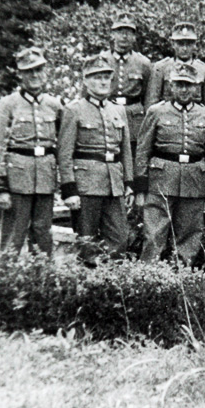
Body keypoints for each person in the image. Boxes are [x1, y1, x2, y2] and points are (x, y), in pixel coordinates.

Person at [134, 62, 205, 264]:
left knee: (189, 236)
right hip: (160, 181)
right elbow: (143, 150)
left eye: (188, 85)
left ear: (196, 88)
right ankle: (149, 279)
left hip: (194, 182)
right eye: (179, 84)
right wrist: (140, 188)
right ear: (171, 86)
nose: (183, 89)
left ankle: (183, 280)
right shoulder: (156, 112)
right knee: (154, 235)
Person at [58, 52, 134, 264]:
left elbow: (125, 150)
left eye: (106, 76)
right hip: (86, 185)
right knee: (87, 241)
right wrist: (69, 190)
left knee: (119, 238)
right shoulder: (74, 110)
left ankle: (112, 284)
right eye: (96, 77)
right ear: (85, 80)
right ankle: (88, 285)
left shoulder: (118, 110)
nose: (102, 81)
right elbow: (64, 153)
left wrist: (129, 183)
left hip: (114, 184)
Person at [0, 46, 61, 255]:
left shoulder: (54, 105)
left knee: (42, 234)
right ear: (20, 74)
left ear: (45, 71)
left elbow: (62, 144)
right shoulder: (8, 105)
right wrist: (0, 187)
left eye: (39, 70)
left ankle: (41, 280)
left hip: (45, 178)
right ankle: (5, 278)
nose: (35, 75)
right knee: (13, 235)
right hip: (17, 179)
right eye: (29, 71)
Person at [107, 12, 152, 154]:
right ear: (113, 34)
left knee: (132, 156)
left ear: (134, 37)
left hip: (134, 119)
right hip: (108, 113)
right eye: (120, 31)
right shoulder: (102, 60)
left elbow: (148, 97)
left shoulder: (143, 63)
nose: (124, 36)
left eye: (128, 32)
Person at [145, 21, 205, 110]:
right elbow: (151, 105)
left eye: (189, 44)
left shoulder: (203, 69)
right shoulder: (161, 68)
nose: (185, 48)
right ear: (173, 44)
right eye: (180, 44)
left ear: (194, 45)